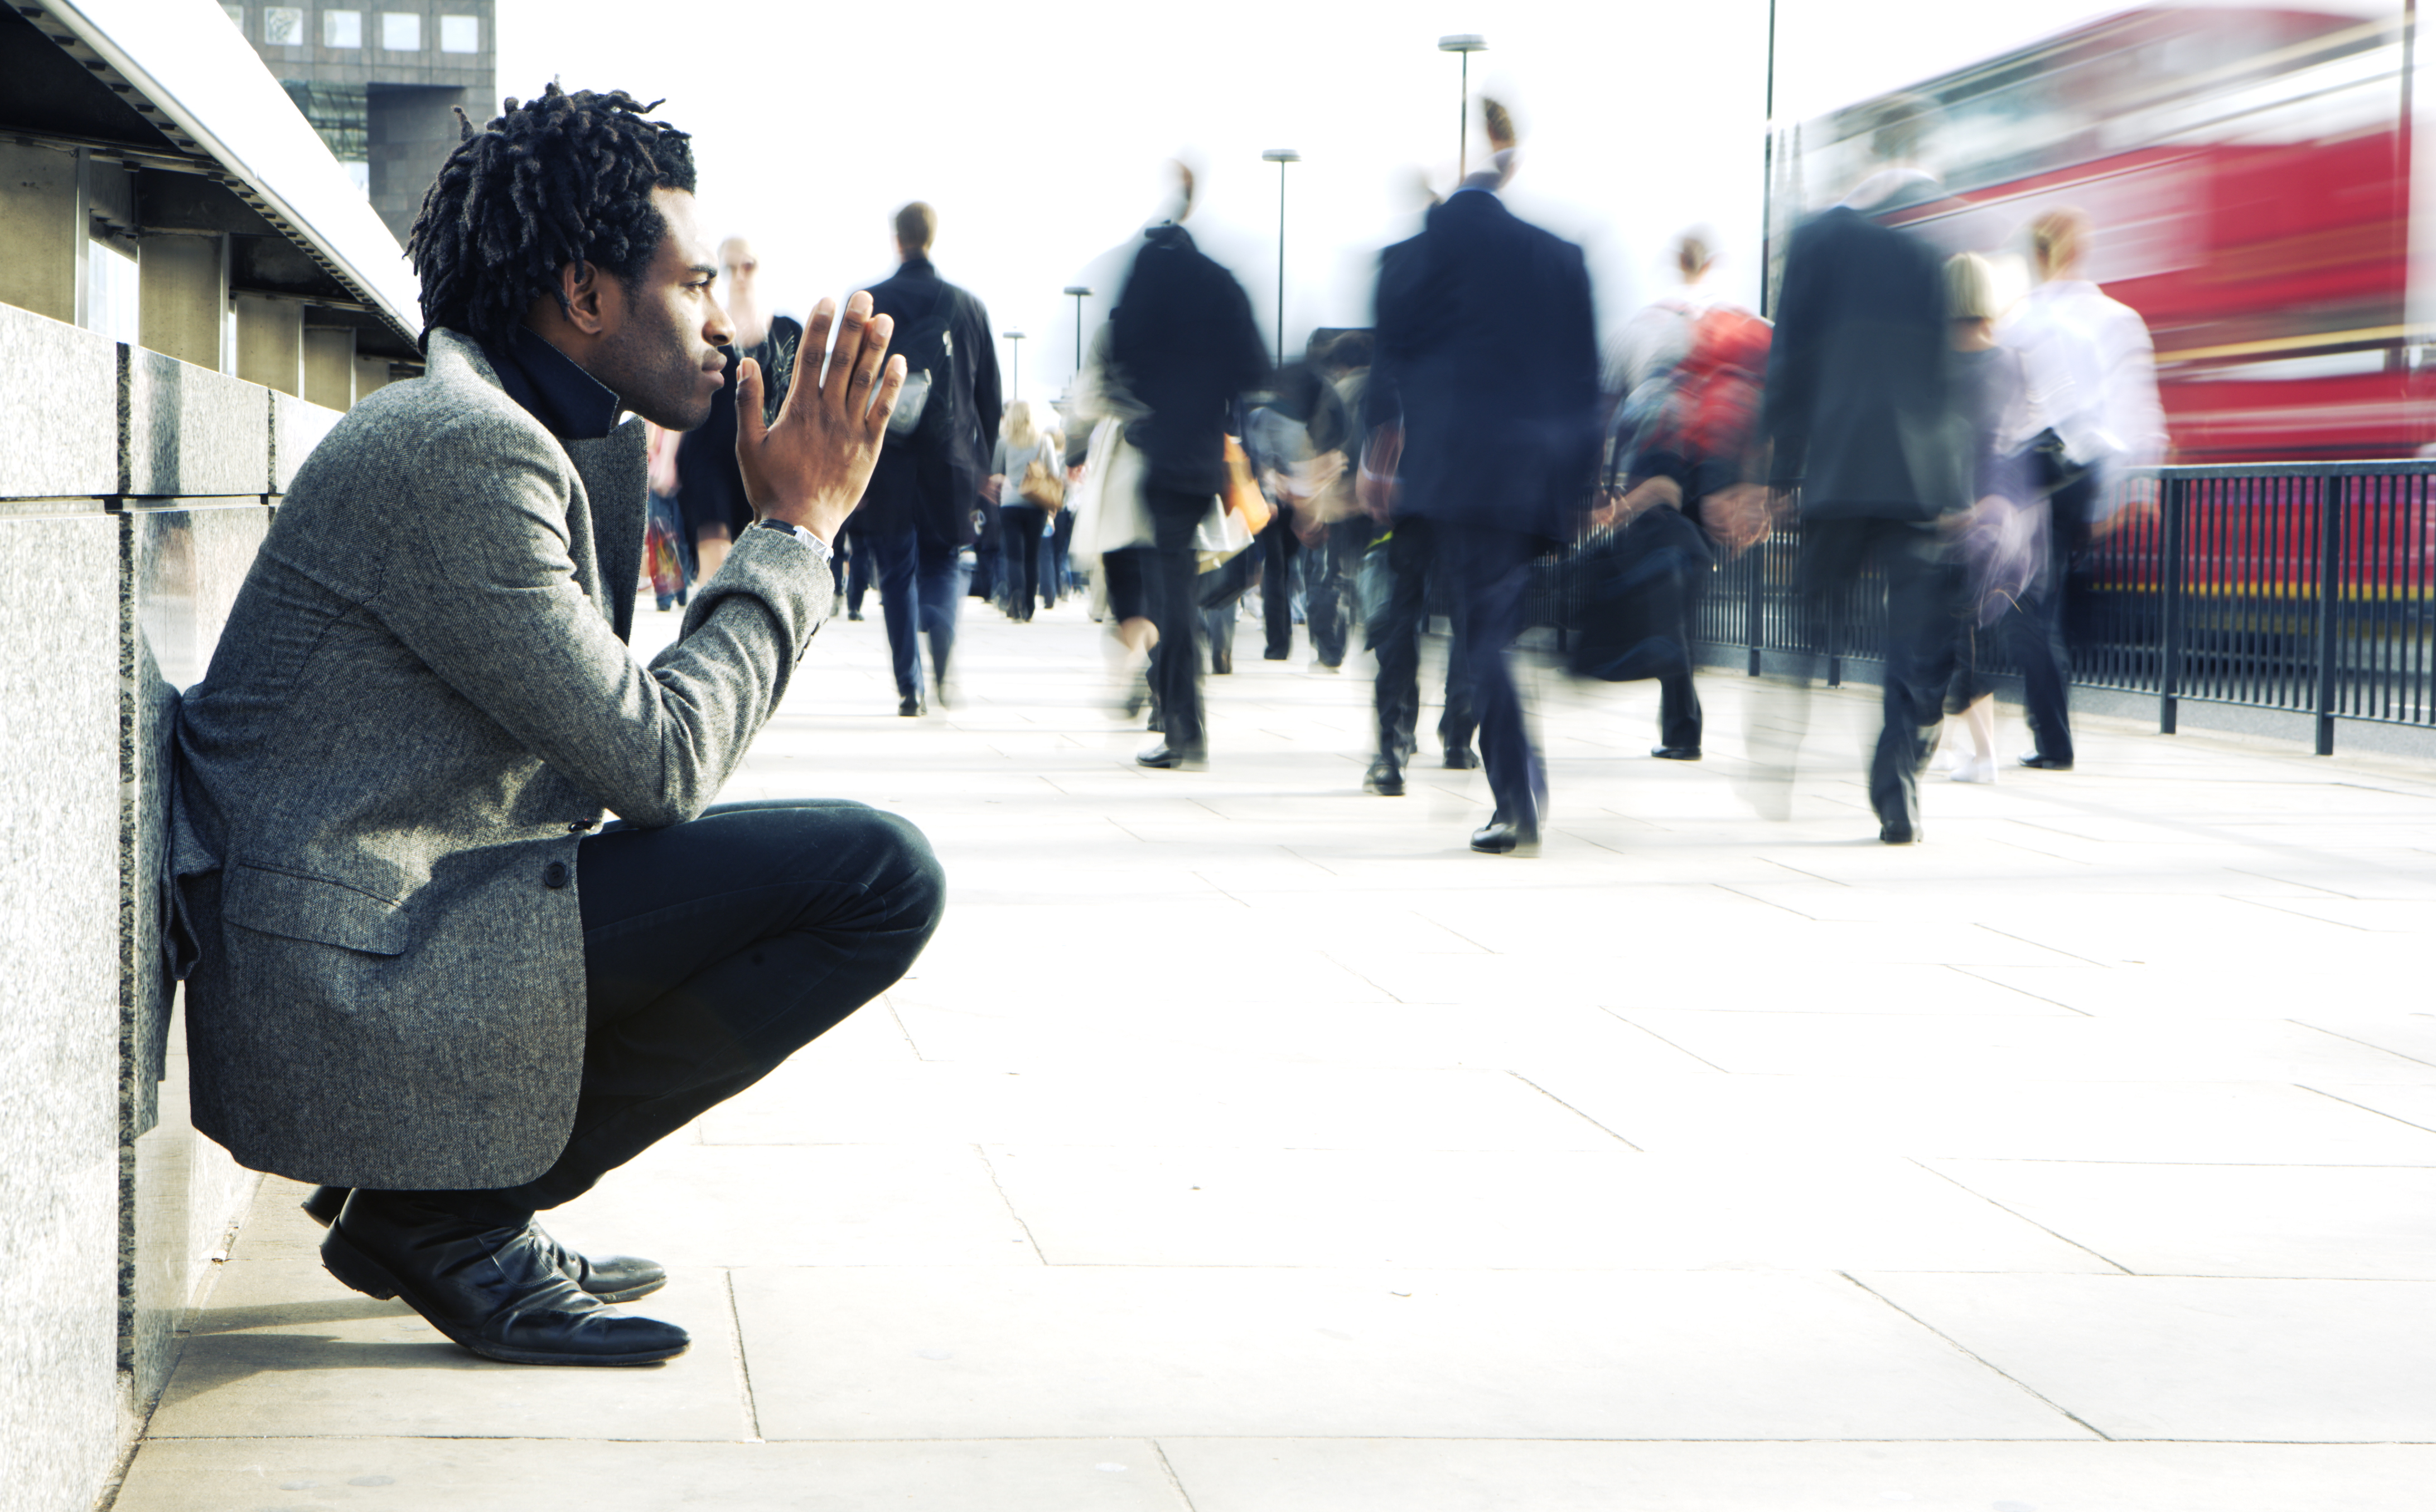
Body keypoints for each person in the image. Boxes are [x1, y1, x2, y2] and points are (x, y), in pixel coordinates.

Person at [169, 87, 944, 1367]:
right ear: (585, 296)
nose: (720, 327)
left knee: (826, 874)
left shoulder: (536, 436)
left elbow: (602, 755)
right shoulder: (464, 452)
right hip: (335, 984)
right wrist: (796, 534)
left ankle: (437, 1204)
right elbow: (658, 762)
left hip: (373, 931)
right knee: (873, 877)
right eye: (693, 286)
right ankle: (448, 1215)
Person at [1367, 100, 1601, 852]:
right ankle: (1513, 783)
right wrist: (1586, 486)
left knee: (1485, 634)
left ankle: (1518, 797)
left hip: (1458, 476)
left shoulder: (1414, 258)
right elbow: (1586, 384)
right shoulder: (1558, 257)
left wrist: (1379, 458)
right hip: (1538, 478)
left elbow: (1389, 365)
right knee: (1495, 624)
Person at [1761, 101, 1971, 844]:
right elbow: (1963, 366)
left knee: (1814, 616)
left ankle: (1779, 724)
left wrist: (1781, 475)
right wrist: (1963, 486)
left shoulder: (1817, 238)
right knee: (1910, 640)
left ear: (1869, 150)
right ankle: (1897, 786)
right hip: (1920, 475)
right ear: (1920, 147)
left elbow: (1789, 361)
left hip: (1839, 466)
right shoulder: (1950, 228)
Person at [1102, 162, 1269, 770]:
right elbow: (1255, 366)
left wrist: (1151, 401)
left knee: (1172, 592)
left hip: (1164, 452)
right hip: (1206, 454)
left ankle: (1184, 730)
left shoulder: (1148, 274)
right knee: (1184, 587)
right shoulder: (1221, 283)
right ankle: (1180, 721)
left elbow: (1119, 348)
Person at [1998, 206, 2168, 772]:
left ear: (2038, 255)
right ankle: (2053, 732)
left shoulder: (2020, 319)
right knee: (2054, 602)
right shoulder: (2118, 318)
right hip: (2088, 473)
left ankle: (2052, 739)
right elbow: (2137, 410)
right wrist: (2129, 490)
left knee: (2031, 608)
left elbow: (2003, 408)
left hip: (2033, 473)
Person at [1599, 231, 1773, 760]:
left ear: (1674, 264)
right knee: (1686, 582)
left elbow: (1611, 409)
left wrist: (1609, 486)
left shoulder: (1640, 326)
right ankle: (1682, 719)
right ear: (1715, 263)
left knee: (1664, 586)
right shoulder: (1743, 323)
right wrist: (1753, 484)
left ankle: (1681, 723)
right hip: (1717, 473)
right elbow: (1763, 410)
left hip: (1658, 466)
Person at [864, 202, 1003, 715]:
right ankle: (941, 627)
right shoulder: (969, 308)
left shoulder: (873, 302)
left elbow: (853, 389)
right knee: (944, 561)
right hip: (952, 463)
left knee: (896, 573)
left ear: (898, 240)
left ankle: (910, 689)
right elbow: (991, 396)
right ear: (933, 237)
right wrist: (985, 467)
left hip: (888, 461)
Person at [1932, 250, 2039, 785]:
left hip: (1949, 512)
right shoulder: (2014, 363)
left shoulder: (1935, 365)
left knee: (1947, 632)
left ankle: (1971, 751)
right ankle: (1965, 750)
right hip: (2004, 518)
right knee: (1968, 628)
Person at [674, 235, 802, 579]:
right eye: (730, 268)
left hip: (770, 466)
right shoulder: (705, 332)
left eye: (749, 265)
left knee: (761, 572)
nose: (741, 275)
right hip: (709, 458)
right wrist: (666, 458)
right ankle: (710, 629)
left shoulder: (790, 332)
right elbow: (682, 392)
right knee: (715, 563)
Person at [989, 400, 1062, 622]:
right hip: (1036, 505)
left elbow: (996, 471)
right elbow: (1055, 473)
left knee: (1013, 556)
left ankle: (1016, 595)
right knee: (1032, 556)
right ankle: (1029, 606)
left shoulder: (1004, 442)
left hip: (1010, 504)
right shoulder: (1045, 441)